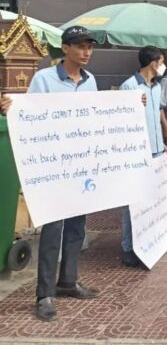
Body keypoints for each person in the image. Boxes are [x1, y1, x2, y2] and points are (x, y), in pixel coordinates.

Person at [0, 26, 100, 321]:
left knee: (76, 227)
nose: (86, 52)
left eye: (89, 47)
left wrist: (133, 106)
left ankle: (68, 281)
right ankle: (44, 293)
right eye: (80, 46)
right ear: (65, 49)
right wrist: (11, 107)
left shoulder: (90, 80)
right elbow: (30, 114)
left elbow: (96, 113)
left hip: (80, 165)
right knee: (53, 230)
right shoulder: (44, 79)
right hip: (53, 167)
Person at [119, 46, 167, 268]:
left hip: (156, 151)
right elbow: (122, 120)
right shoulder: (129, 86)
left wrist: (162, 144)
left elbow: (157, 116)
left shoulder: (156, 87)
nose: (163, 65)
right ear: (153, 63)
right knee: (134, 202)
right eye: (162, 61)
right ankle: (128, 247)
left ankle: (148, 241)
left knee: (152, 200)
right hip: (138, 153)